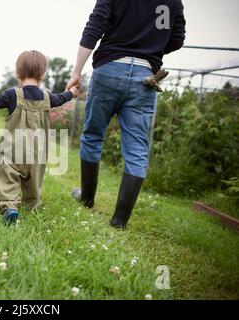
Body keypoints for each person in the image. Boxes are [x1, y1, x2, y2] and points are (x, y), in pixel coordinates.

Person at [68, 0, 186, 229]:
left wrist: (76, 71)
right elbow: (177, 39)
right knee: (137, 149)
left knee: (93, 135)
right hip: (145, 75)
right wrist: (151, 45)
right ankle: (119, 221)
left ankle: (87, 198)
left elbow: (95, 26)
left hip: (109, 68)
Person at [0, 50, 78, 225]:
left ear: (17, 73)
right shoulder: (48, 97)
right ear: (42, 75)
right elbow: (63, 98)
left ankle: (9, 207)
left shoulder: (12, 95)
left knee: (6, 176)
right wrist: (71, 92)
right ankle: (32, 205)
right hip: (37, 153)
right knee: (33, 180)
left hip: (12, 151)